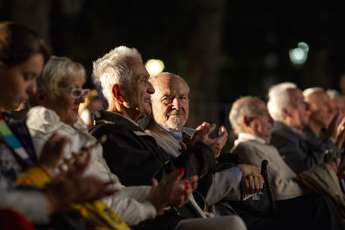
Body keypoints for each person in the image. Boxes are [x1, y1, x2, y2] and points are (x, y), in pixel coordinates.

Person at [26, 55, 195, 226]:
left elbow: (110, 192)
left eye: (81, 91)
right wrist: (152, 205)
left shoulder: (74, 135)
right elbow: (100, 203)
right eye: (73, 91)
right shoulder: (49, 138)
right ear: (42, 95)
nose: (81, 99)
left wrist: (155, 194)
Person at [91, 46, 247, 230]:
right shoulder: (110, 136)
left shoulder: (130, 134)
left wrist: (198, 152)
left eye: (183, 98)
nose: (150, 89)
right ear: (119, 94)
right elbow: (162, 185)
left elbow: (192, 192)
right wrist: (202, 152)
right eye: (143, 81)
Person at [0, 21, 115, 226]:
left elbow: (21, 183)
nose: (33, 90)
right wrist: (53, 195)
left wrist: (59, 177)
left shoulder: (10, 125)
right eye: (27, 77)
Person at [229, 96, 345, 230]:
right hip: (276, 210)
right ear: (247, 121)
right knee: (322, 203)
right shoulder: (246, 148)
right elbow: (277, 191)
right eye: (264, 115)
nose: (272, 121)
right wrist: (314, 183)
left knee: (325, 201)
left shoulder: (261, 146)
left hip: (287, 204)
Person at [146, 72, 263, 205]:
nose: (177, 106)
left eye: (182, 97)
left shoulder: (193, 134)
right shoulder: (149, 142)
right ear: (149, 104)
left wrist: (248, 176)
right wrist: (240, 171)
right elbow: (197, 190)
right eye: (166, 99)